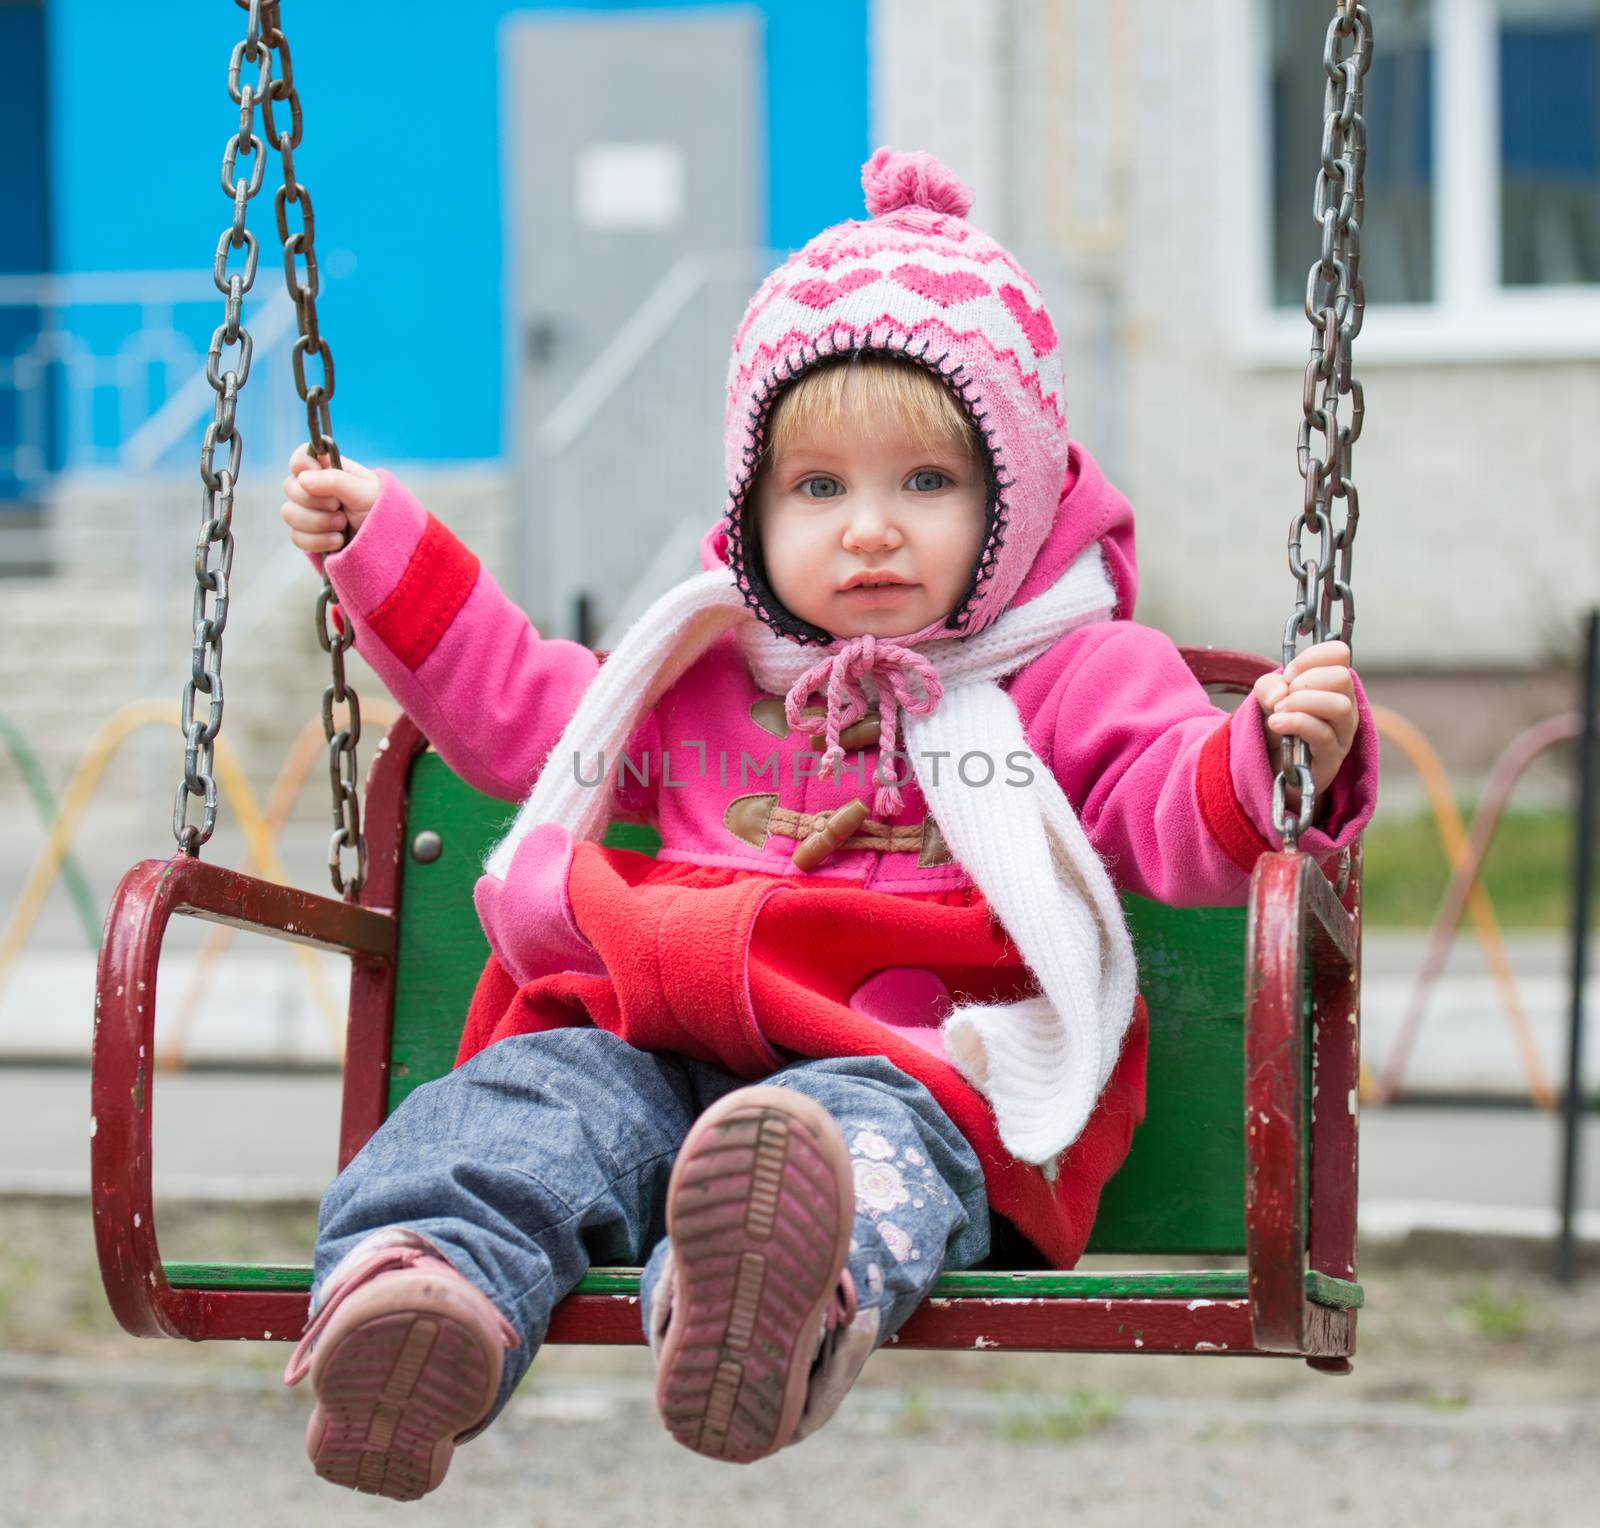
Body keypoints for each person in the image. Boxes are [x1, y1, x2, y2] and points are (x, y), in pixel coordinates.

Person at [277, 148, 1377, 1500]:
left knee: (854, 1155)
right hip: (650, 1032)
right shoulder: (699, 665)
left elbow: (1167, 818)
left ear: (1013, 492)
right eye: (818, 489)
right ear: (752, 501)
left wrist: (1267, 761)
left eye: (925, 483)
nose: (868, 532)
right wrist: (387, 552)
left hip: (906, 1054)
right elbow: (524, 723)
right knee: (521, 1107)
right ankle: (422, 1303)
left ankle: (767, 1315)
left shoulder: (1073, 672)